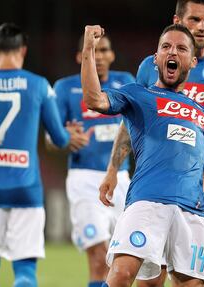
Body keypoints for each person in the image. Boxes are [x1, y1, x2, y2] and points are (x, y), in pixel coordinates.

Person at [81, 23, 204, 287]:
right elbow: (94, 99)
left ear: (192, 61)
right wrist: (88, 47)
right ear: (155, 58)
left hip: (192, 212)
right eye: (166, 47)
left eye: (181, 48)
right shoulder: (138, 94)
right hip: (147, 203)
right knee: (121, 276)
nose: (172, 52)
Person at [0, 23, 87, 287]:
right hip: (27, 189)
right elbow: (57, 137)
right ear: (22, 50)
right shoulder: (39, 85)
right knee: (25, 272)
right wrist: (70, 136)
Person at [51, 34, 135, 287]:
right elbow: (50, 139)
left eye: (104, 50)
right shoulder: (64, 88)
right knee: (99, 257)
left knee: (123, 259)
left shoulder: (126, 83)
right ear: (81, 57)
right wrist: (65, 138)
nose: (98, 56)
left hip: (122, 180)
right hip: (84, 178)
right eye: (93, 51)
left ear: (112, 55)